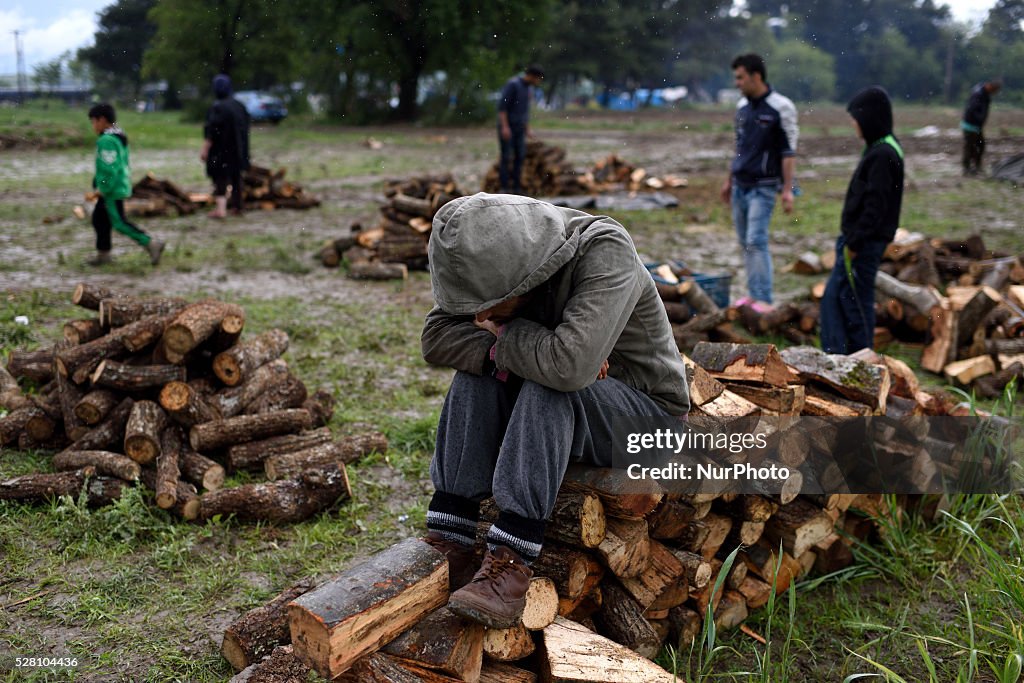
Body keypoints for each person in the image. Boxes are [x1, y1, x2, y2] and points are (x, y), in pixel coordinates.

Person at [419, 192, 690, 628]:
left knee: (551, 383)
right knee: (475, 372)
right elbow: (436, 338)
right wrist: (526, 345)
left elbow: (566, 369)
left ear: (523, 278)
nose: (481, 316)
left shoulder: (605, 251)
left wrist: (512, 337)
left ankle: (511, 558)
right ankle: (451, 536)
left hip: (648, 419)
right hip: (570, 398)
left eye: (487, 308)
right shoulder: (497, 259)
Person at [819, 86, 904, 355]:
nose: (854, 124)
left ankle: (860, 358)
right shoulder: (878, 148)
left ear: (870, 119)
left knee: (856, 303)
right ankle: (836, 355)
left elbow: (875, 206)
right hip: (856, 239)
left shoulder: (883, 154)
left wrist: (855, 241)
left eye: (856, 118)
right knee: (835, 299)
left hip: (863, 243)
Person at [720, 53, 799, 311]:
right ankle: (753, 295)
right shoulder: (742, 109)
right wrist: (728, 180)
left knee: (756, 240)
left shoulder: (781, 107)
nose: (737, 83)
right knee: (745, 242)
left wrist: (787, 189)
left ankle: (763, 298)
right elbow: (739, 148)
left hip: (763, 187)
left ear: (757, 76)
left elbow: (788, 152)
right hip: (740, 186)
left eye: (741, 77)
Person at [86, 103, 164, 266]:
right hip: (115, 186)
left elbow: (109, 169)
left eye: (93, 121)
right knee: (99, 219)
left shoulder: (107, 140)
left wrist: (102, 189)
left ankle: (150, 243)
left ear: (102, 120)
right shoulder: (118, 135)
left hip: (111, 190)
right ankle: (103, 256)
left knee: (119, 222)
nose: (93, 126)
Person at [201, 74, 250, 218]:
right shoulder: (239, 106)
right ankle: (238, 207)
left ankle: (221, 210)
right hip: (238, 149)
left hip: (221, 150)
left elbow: (212, 131)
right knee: (236, 177)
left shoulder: (218, 107)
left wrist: (205, 149)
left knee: (220, 178)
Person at [497, 65, 544, 194]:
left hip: (519, 128)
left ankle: (517, 188)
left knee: (520, 156)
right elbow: (502, 108)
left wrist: (527, 129)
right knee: (506, 157)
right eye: (538, 79)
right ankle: (504, 187)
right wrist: (505, 127)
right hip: (508, 126)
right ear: (532, 76)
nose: (538, 82)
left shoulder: (528, 89)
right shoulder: (513, 84)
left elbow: (525, 112)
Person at [961, 79, 1001, 177]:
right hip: (971, 125)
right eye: (994, 91)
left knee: (980, 146)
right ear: (990, 86)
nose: (994, 93)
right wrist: (979, 119)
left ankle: (976, 167)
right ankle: (967, 169)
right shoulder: (978, 94)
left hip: (976, 126)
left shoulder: (985, 94)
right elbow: (972, 109)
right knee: (970, 147)